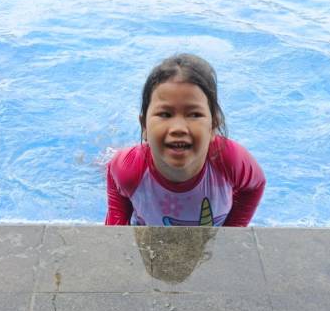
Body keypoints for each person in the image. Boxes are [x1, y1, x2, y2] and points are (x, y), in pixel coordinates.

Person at [106, 54, 265, 226]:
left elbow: (255, 186)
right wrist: (118, 228)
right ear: (144, 126)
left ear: (213, 125)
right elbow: (114, 177)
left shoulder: (229, 161)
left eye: (194, 114)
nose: (179, 128)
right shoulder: (129, 168)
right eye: (165, 114)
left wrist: (232, 230)